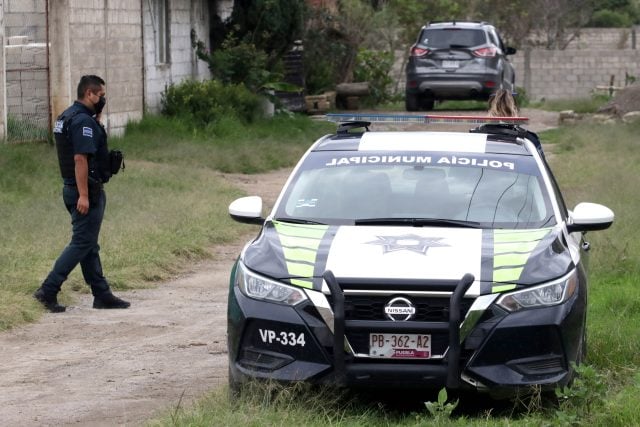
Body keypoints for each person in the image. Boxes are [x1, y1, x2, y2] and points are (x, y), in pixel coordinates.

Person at [33, 75, 130, 312]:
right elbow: (80, 159)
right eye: (101, 96)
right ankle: (47, 290)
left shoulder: (69, 116)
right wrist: (84, 195)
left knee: (88, 243)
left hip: (72, 188)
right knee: (81, 242)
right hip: (84, 191)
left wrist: (97, 119)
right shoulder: (82, 122)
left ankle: (101, 293)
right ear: (89, 93)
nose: (103, 99)